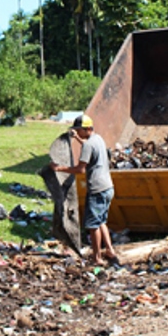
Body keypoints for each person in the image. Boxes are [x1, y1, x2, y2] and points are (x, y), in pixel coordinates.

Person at [50, 114, 117, 266]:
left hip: (97, 190)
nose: (77, 132)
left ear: (87, 129)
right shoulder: (98, 139)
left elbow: (80, 170)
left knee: (93, 226)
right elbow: (89, 148)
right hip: (108, 188)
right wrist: (79, 139)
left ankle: (97, 258)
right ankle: (110, 250)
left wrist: (58, 168)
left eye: (79, 130)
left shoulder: (88, 145)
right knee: (101, 222)